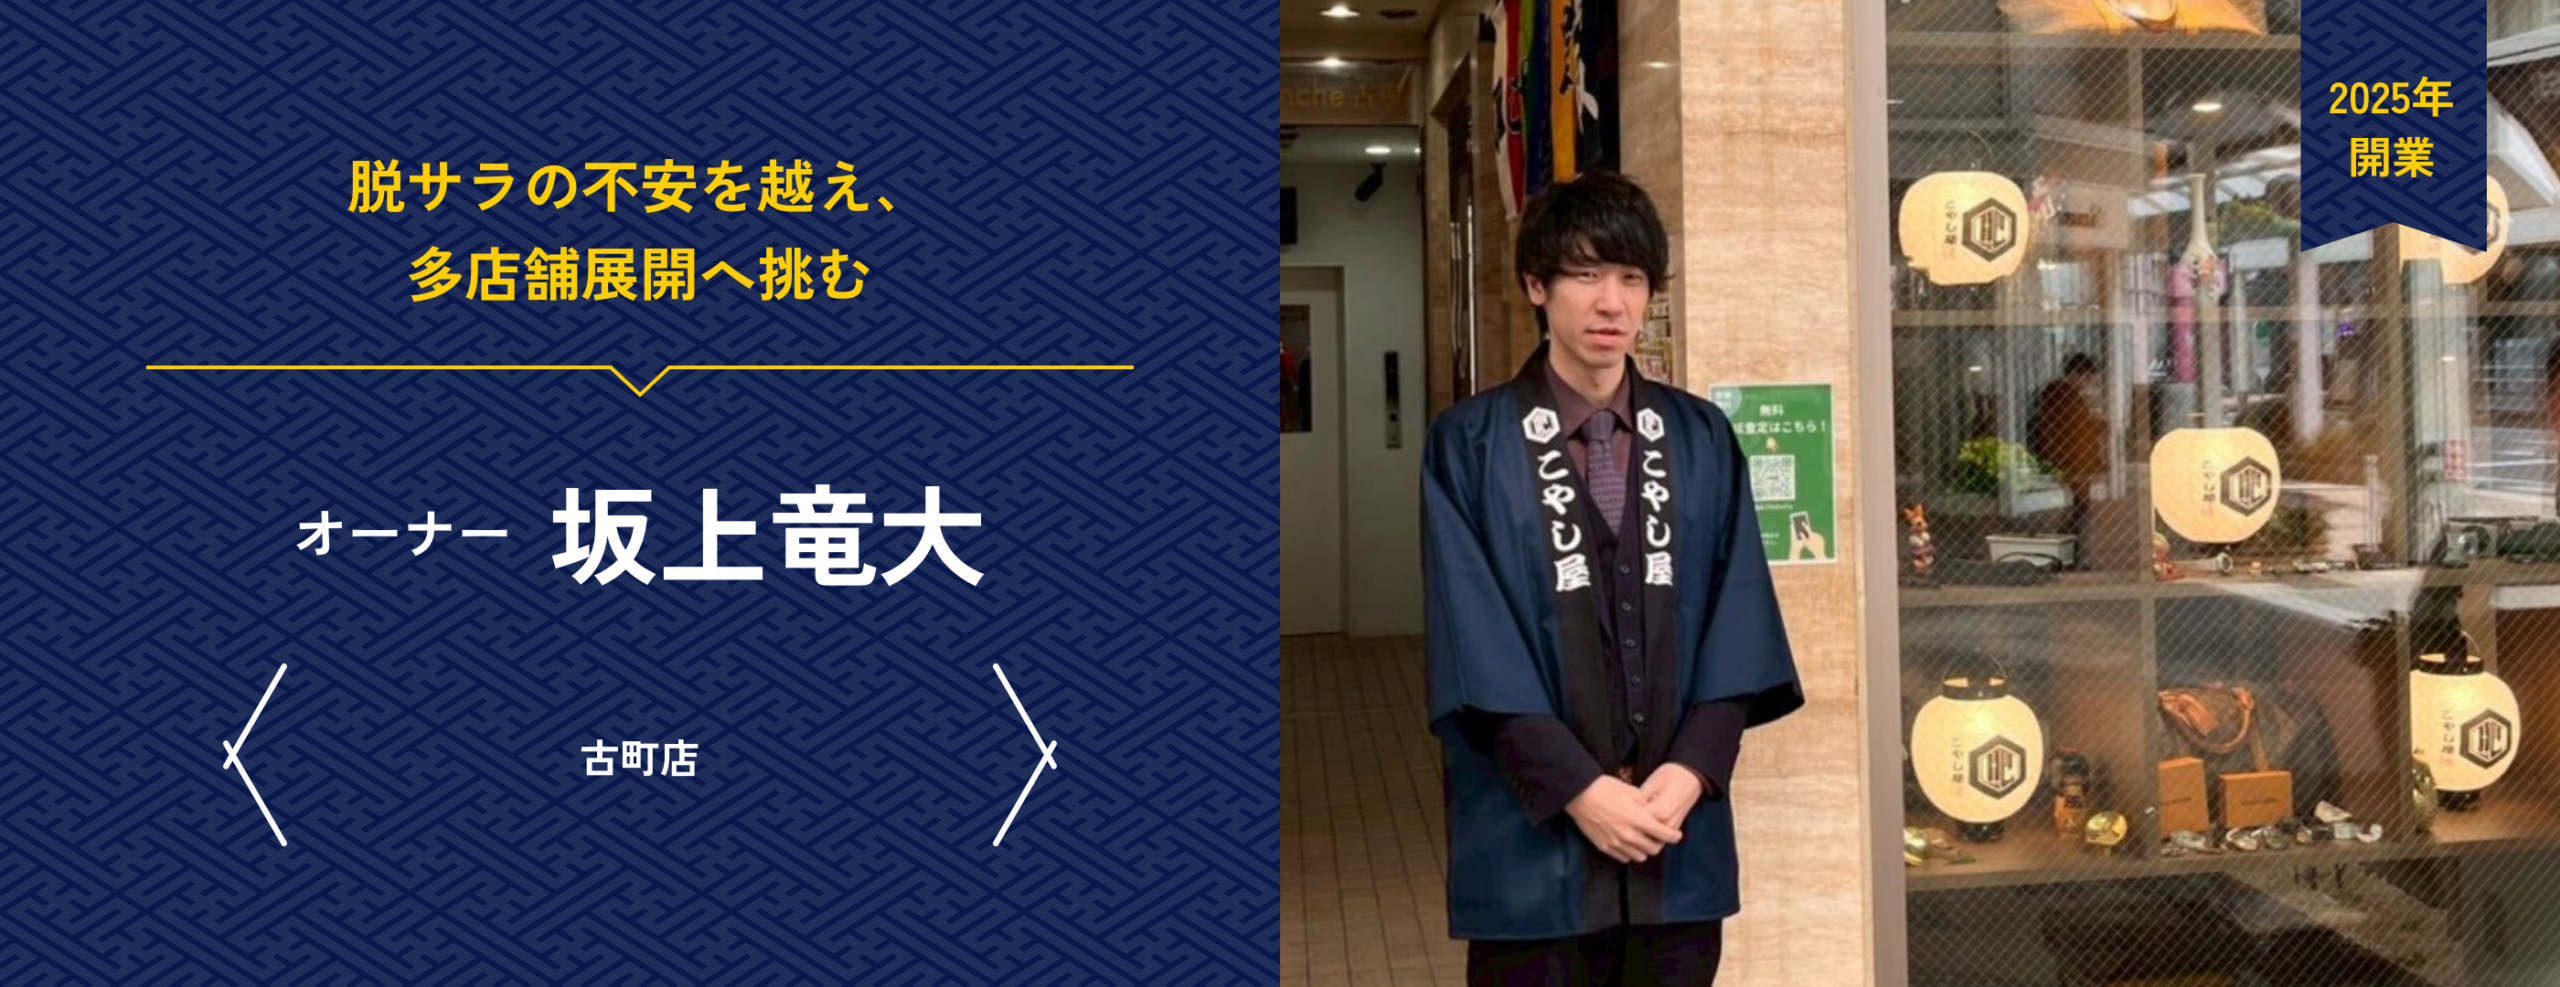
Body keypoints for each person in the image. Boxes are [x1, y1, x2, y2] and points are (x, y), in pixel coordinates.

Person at [1421, 171, 1805, 986]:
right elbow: (1472, 640)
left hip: (1674, 841)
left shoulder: (1701, 437)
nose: (1612, 302)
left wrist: (1690, 771)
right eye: (1586, 273)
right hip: (1534, 850)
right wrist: (1581, 790)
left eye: (1632, 277)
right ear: (1537, 285)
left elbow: (1739, 622)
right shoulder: (1469, 444)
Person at [2029, 354, 2107, 558]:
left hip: (2070, 458)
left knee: (2079, 506)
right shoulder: (2066, 396)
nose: (2088, 383)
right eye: (2087, 378)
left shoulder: (2059, 395)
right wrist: (2100, 424)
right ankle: (2069, 550)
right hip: (2073, 459)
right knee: (2080, 506)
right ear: (2077, 374)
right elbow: (2076, 427)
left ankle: (2067, 549)